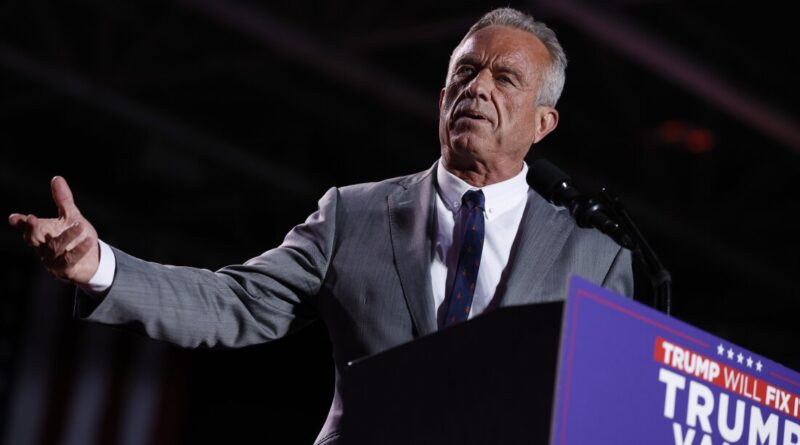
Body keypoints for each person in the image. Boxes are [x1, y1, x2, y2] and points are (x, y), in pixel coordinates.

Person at [9, 8, 632, 445]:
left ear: (543, 123)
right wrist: (99, 268)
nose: (477, 89)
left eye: (505, 79)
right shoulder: (353, 215)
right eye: (464, 73)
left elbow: (609, 412)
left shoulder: (596, 251)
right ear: (442, 96)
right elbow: (236, 302)